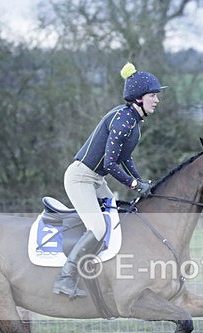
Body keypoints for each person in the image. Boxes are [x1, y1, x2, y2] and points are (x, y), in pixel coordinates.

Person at [53, 62, 166, 298]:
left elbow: (125, 158)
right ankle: (66, 278)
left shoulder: (132, 121)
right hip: (81, 178)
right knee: (98, 227)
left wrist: (140, 180)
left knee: (115, 221)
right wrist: (133, 184)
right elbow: (110, 164)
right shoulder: (124, 121)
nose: (156, 100)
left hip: (95, 179)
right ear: (138, 98)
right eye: (153, 95)